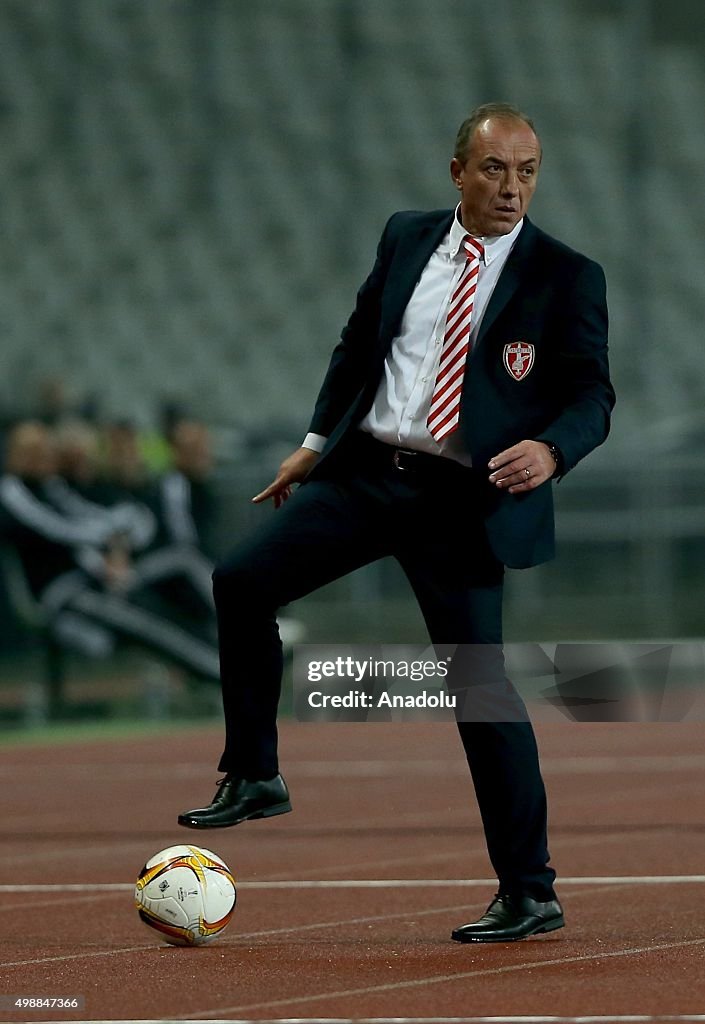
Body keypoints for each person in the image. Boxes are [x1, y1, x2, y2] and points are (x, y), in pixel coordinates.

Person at [178, 103, 615, 943]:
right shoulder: (405, 238)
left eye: (526, 173)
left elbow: (592, 394)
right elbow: (356, 345)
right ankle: (255, 774)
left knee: (478, 692)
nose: (511, 189)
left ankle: (530, 891)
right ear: (457, 171)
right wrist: (313, 445)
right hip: (368, 475)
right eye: (494, 170)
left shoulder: (565, 274)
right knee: (239, 582)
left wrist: (553, 452)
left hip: (460, 502)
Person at [0, 420, 221, 682]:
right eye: (32, 450)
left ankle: (231, 657)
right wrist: (110, 538)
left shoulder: (53, 487)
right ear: (14, 454)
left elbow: (90, 518)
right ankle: (223, 673)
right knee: (145, 622)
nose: (41, 457)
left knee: (159, 610)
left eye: (44, 449)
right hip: (61, 593)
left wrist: (112, 543)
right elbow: (58, 529)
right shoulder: (12, 491)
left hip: (93, 580)